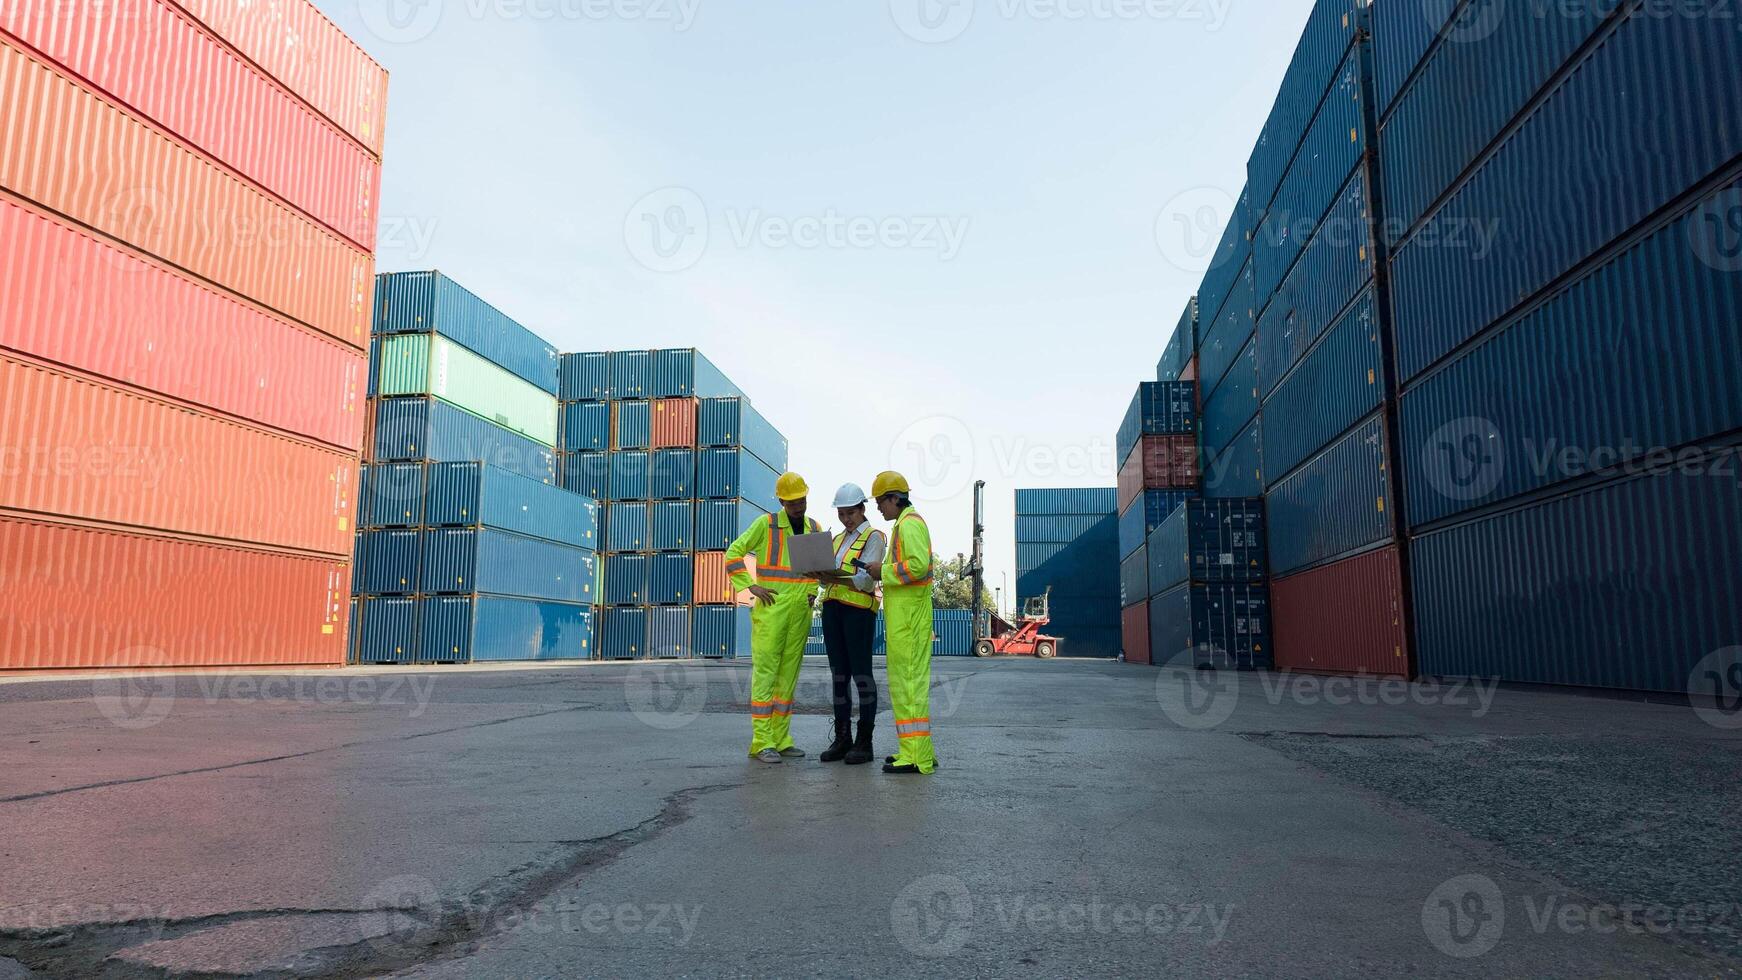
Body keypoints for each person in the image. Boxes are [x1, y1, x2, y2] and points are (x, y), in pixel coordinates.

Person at [725, 472, 823, 764]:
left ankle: (782, 739)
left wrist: (812, 592)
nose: (799, 506)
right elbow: (733, 553)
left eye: (802, 500)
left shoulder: (813, 527)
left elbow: (816, 569)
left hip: (799, 613)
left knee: (788, 679)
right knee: (766, 677)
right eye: (793, 502)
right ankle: (762, 741)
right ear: (781, 500)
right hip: (771, 610)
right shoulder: (766, 525)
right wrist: (749, 585)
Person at [864, 471, 937, 775]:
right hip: (907, 619)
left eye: (881, 502)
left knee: (908, 687)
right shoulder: (905, 524)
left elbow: (918, 566)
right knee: (908, 688)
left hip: (908, 621)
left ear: (895, 498)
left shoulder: (909, 524)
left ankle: (916, 758)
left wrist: (884, 571)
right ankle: (915, 750)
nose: (879, 508)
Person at [815, 483, 886, 765]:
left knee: (861, 675)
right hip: (832, 610)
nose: (845, 519)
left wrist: (835, 577)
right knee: (839, 677)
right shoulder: (835, 541)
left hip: (858, 612)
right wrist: (819, 572)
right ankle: (842, 739)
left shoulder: (874, 537)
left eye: (850, 514)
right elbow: (824, 580)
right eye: (842, 514)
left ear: (862, 509)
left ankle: (864, 742)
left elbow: (867, 580)